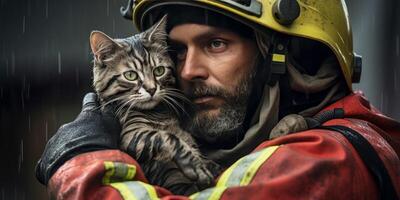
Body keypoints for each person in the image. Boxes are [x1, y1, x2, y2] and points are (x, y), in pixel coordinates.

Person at [36, 0, 400, 199]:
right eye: (176, 51)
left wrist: (83, 167)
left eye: (215, 44)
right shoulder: (272, 148)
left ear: (291, 58)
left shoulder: (327, 157)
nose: (188, 70)